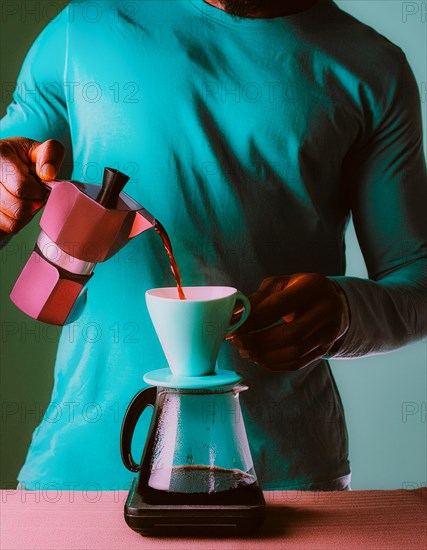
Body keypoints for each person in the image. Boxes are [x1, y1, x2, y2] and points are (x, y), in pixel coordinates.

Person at [1, 0, 426, 492]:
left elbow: (415, 276)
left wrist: (345, 314)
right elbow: (14, 171)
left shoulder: (372, 68)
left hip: (283, 483)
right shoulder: (85, 27)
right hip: (80, 476)